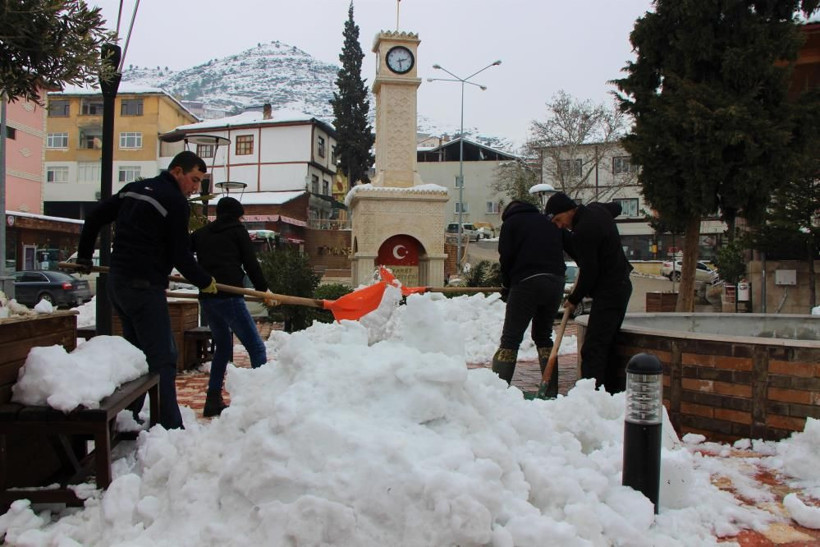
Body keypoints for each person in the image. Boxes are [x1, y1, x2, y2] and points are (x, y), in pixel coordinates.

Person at [76, 151, 218, 430]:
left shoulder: (134, 190)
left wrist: (83, 255)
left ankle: (128, 419)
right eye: (193, 180)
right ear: (176, 171)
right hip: (144, 287)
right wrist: (204, 280)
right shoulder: (175, 202)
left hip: (118, 283)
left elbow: (94, 218)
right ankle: (171, 427)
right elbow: (179, 252)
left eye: (200, 182)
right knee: (164, 357)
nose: (195, 188)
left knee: (136, 356)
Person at [192, 197, 273, 417]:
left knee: (224, 349)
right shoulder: (237, 231)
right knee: (256, 348)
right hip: (230, 297)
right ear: (237, 215)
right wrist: (264, 290)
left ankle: (212, 399)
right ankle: (261, 403)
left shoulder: (201, 234)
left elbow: (185, 258)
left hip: (208, 298)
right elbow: (250, 263)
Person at [545, 192, 633, 394]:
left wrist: (574, 298)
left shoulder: (584, 231)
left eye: (559, 219)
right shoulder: (597, 210)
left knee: (593, 348)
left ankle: (592, 396)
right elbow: (616, 208)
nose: (560, 225)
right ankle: (609, 393)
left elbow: (589, 271)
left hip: (610, 290)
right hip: (620, 286)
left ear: (569, 210)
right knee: (606, 345)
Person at [492, 200, 566, 396]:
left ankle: (497, 391)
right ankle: (550, 390)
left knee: (510, 339)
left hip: (527, 282)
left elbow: (506, 258)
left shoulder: (511, 224)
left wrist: (507, 286)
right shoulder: (548, 222)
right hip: (556, 281)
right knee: (543, 336)